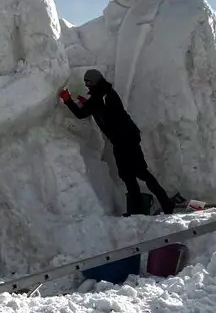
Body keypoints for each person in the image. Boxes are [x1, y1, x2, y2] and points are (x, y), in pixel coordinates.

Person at [60, 69, 174, 216]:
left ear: (95, 81)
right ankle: (140, 210)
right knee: (129, 175)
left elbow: (81, 114)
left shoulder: (101, 97)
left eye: (88, 81)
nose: (86, 84)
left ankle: (163, 204)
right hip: (124, 140)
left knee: (139, 173)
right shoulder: (106, 92)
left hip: (125, 140)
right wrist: (88, 104)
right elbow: (102, 109)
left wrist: (68, 100)